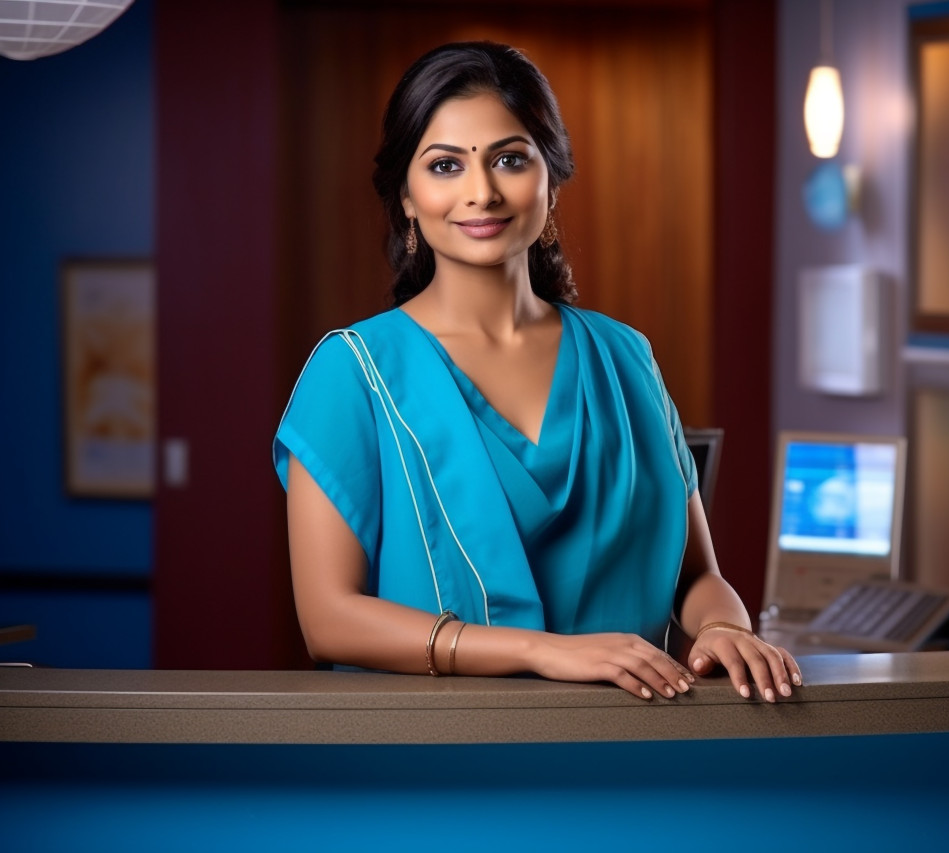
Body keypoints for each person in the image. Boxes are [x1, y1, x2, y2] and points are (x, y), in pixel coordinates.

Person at [273, 41, 801, 702]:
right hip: (431, 766)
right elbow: (329, 620)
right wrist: (543, 651)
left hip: (631, 757)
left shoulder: (626, 357)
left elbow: (696, 576)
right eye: (444, 165)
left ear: (550, 179)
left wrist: (723, 625)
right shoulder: (351, 372)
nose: (482, 192)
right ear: (406, 197)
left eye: (510, 159)